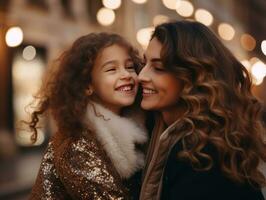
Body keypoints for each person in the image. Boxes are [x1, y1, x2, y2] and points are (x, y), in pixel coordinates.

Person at [138, 20, 266, 200]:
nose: (141, 76)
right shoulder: (157, 132)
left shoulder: (204, 155)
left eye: (158, 68)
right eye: (145, 64)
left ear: (192, 76)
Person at [27, 32, 148, 199]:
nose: (126, 75)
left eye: (129, 67)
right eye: (111, 69)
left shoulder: (141, 128)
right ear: (87, 85)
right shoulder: (76, 144)